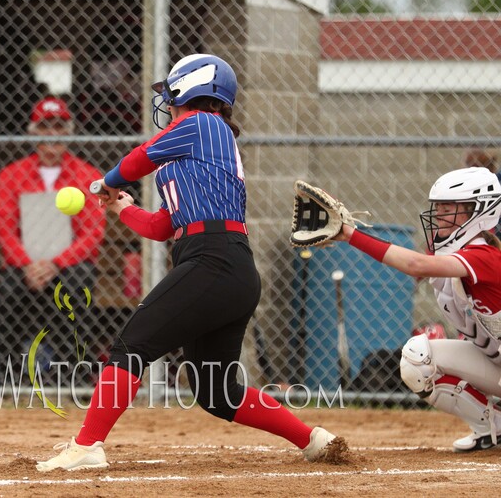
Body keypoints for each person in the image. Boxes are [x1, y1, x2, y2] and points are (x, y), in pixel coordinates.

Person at [36, 54, 343, 472]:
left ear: (192, 89)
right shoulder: (190, 158)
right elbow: (162, 226)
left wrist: (106, 182)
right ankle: (312, 440)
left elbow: (140, 158)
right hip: (222, 265)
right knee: (217, 393)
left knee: (131, 345)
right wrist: (122, 206)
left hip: (213, 258)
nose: (167, 102)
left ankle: (88, 444)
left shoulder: (204, 124)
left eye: (171, 94)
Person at [329, 166, 501, 452]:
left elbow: (415, 265)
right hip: (495, 361)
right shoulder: (455, 255)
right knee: (416, 357)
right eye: (439, 207)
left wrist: (351, 235)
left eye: (449, 208)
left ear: (479, 212)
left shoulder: (485, 256)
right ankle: (492, 426)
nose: (439, 215)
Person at [0, 97, 106, 361]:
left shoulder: (88, 175)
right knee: (5, 293)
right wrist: (29, 265)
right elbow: (5, 230)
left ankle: (71, 370)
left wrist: (56, 264)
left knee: (76, 286)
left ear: (69, 132)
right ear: (33, 133)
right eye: (45, 127)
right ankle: (9, 371)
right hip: (25, 264)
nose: (52, 134)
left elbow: (93, 232)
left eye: (59, 126)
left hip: (69, 265)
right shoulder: (11, 175)